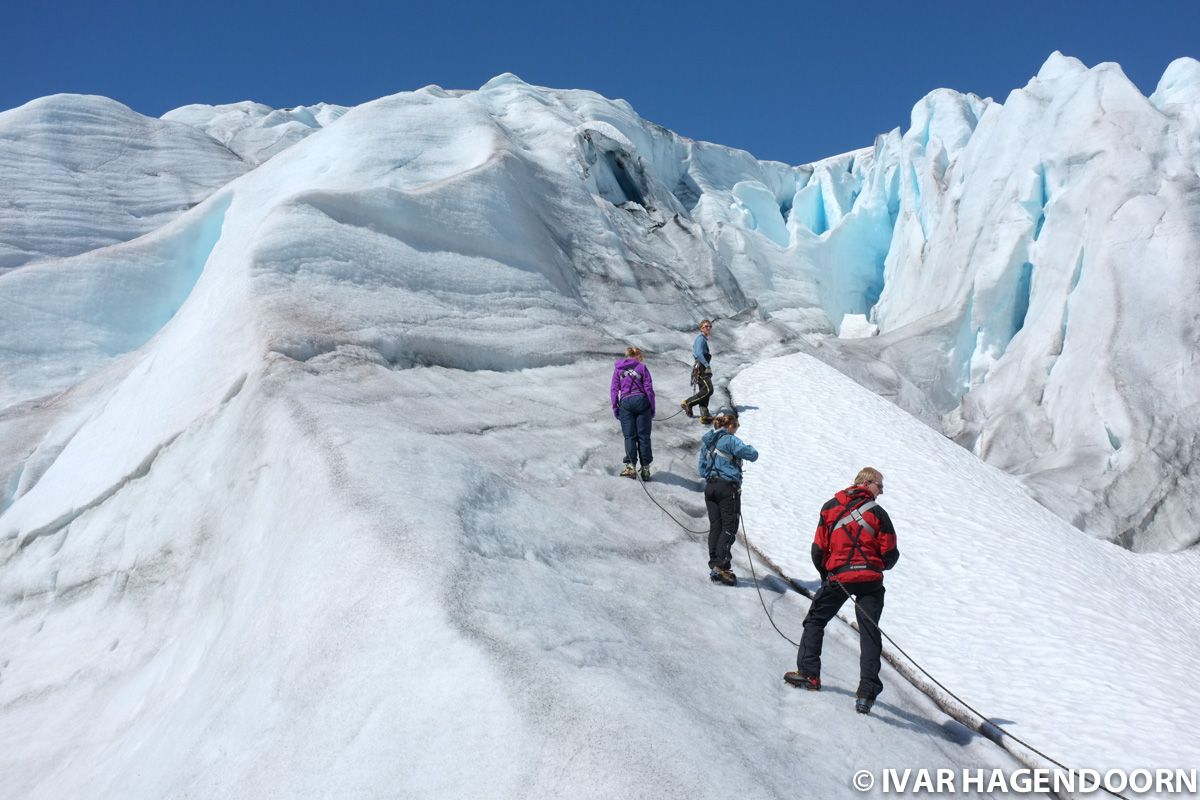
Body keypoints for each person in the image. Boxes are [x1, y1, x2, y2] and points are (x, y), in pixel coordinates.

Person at [784, 468, 899, 715]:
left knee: (815, 620)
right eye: (880, 486)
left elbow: (818, 549)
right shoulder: (878, 514)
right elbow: (890, 553)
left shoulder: (830, 507)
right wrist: (876, 565)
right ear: (867, 483)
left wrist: (828, 576)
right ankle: (866, 694)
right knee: (869, 632)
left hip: (840, 577)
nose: (881, 492)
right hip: (870, 580)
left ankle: (808, 674)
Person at [697, 407, 758, 585]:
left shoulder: (707, 443)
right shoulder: (730, 440)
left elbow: (701, 469)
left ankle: (715, 563)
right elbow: (752, 455)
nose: (737, 428)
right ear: (730, 424)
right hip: (727, 488)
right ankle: (721, 566)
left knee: (716, 527)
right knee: (729, 527)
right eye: (736, 425)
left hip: (711, 488)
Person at [610, 346, 656, 480]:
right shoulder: (642, 368)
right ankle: (646, 469)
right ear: (638, 356)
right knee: (644, 436)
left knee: (629, 436)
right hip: (642, 402)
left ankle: (630, 466)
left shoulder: (618, 369)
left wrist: (615, 408)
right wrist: (652, 408)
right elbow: (649, 389)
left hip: (625, 403)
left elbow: (614, 389)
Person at [681, 320, 714, 423]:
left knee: (704, 390)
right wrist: (707, 365)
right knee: (708, 390)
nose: (708, 328)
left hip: (700, 366)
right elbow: (699, 353)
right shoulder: (700, 339)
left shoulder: (703, 339)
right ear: (701, 328)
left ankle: (705, 415)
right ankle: (688, 402)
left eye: (710, 326)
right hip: (702, 367)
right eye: (706, 326)